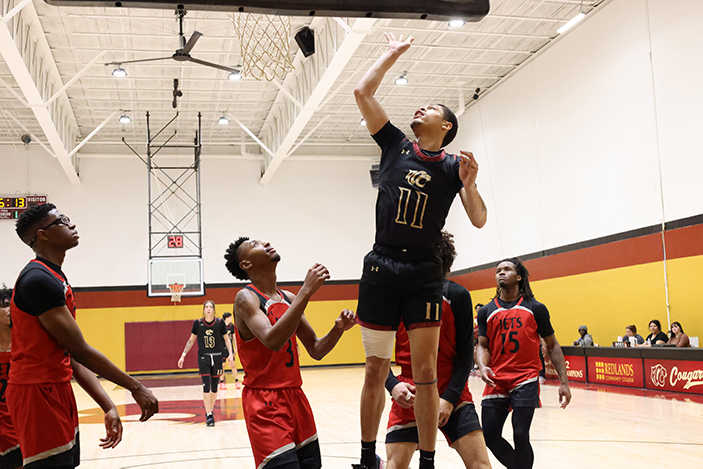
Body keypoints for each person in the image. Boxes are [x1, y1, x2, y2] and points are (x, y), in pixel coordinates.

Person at [353, 32, 487, 469]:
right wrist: (391, 54)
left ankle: (428, 459)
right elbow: (362, 91)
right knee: (376, 368)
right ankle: (366, 455)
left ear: (445, 127)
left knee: (427, 372)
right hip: (381, 263)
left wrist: (469, 184)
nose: (418, 108)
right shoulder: (394, 144)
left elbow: (479, 218)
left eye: (428, 108)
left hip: (424, 271)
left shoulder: (452, 167)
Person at [9, 203, 158, 468]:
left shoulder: (54, 276)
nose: (72, 224)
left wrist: (108, 405)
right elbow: (80, 350)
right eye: (62, 221)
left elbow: (70, 354)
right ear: (42, 235)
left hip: (55, 386)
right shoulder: (38, 280)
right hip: (36, 391)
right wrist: (135, 387)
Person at [224, 237, 356, 468]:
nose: (265, 243)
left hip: (296, 398)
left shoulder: (288, 298)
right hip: (265, 402)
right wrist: (307, 290)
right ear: (246, 264)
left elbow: (316, 349)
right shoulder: (246, 298)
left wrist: (338, 330)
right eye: (256, 245)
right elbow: (272, 339)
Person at [384, 231, 491, 469]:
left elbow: (465, 358)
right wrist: (393, 386)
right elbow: (376, 358)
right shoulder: (394, 296)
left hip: (449, 387)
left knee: (481, 465)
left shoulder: (457, 295)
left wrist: (450, 400)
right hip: (409, 390)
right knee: (395, 465)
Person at [476, 258, 571, 469]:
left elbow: (553, 345)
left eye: (507, 269)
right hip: (496, 379)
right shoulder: (486, 311)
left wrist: (564, 382)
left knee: (520, 434)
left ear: (519, 277)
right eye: (498, 270)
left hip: (525, 378)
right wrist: (482, 366)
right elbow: (482, 346)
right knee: (490, 436)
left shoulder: (535, 308)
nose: (501, 272)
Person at [177, 300, 234, 426]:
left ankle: (210, 410)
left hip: (218, 357)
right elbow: (191, 340)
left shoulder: (220, 323)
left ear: (213, 310)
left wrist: (230, 353)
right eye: (206, 307)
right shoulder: (198, 323)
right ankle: (208, 413)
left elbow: (227, 339)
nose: (208, 309)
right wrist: (183, 355)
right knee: (206, 385)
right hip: (204, 358)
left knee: (214, 387)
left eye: (210, 307)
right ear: (204, 310)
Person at [0, 285, 21, 469]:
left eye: (11, 305)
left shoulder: (25, 349)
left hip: (19, 424)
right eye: (5, 304)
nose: (9, 309)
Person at [219, 311, 241, 390]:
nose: (232, 318)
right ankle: (222, 382)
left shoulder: (231, 326)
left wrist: (235, 347)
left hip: (229, 348)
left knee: (233, 365)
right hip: (222, 348)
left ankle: (237, 381)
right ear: (227, 318)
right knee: (222, 365)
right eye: (230, 317)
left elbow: (234, 337)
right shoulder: (221, 326)